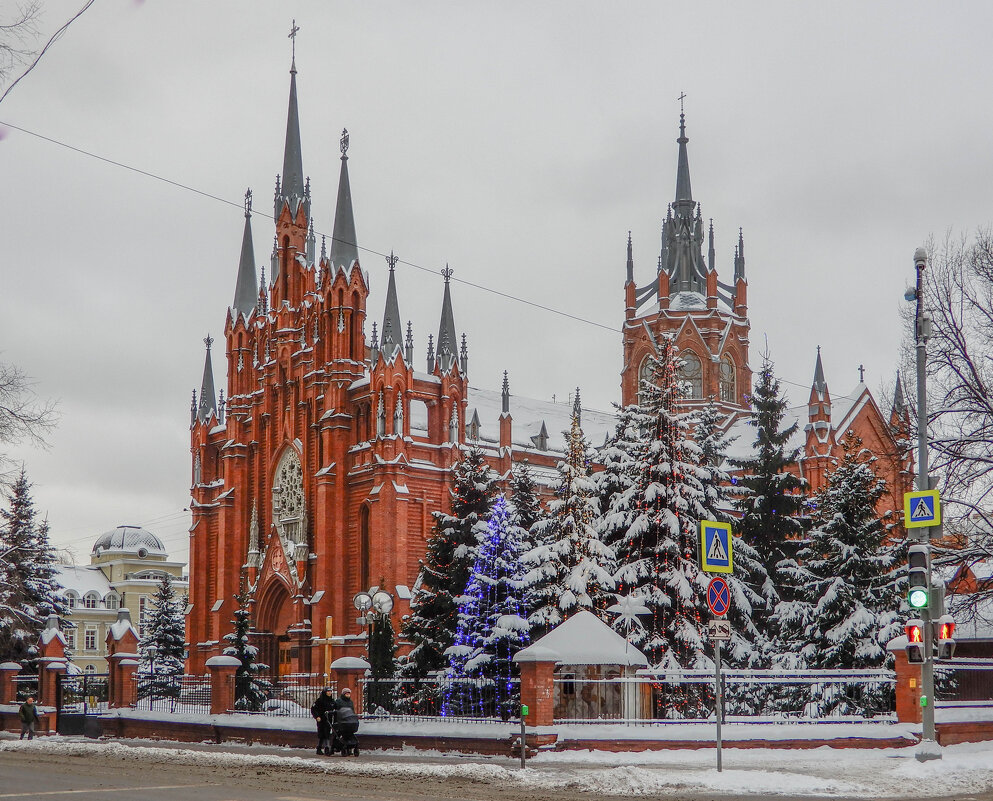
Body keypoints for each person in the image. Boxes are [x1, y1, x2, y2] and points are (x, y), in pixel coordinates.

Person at [310, 687, 336, 755]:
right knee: (322, 734)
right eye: (328, 691)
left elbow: (335, 709)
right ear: (325, 692)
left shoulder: (332, 701)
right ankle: (320, 748)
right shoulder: (320, 701)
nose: (329, 693)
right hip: (321, 720)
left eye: (330, 691)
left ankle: (327, 747)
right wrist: (317, 716)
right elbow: (313, 709)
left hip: (328, 720)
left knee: (327, 733)